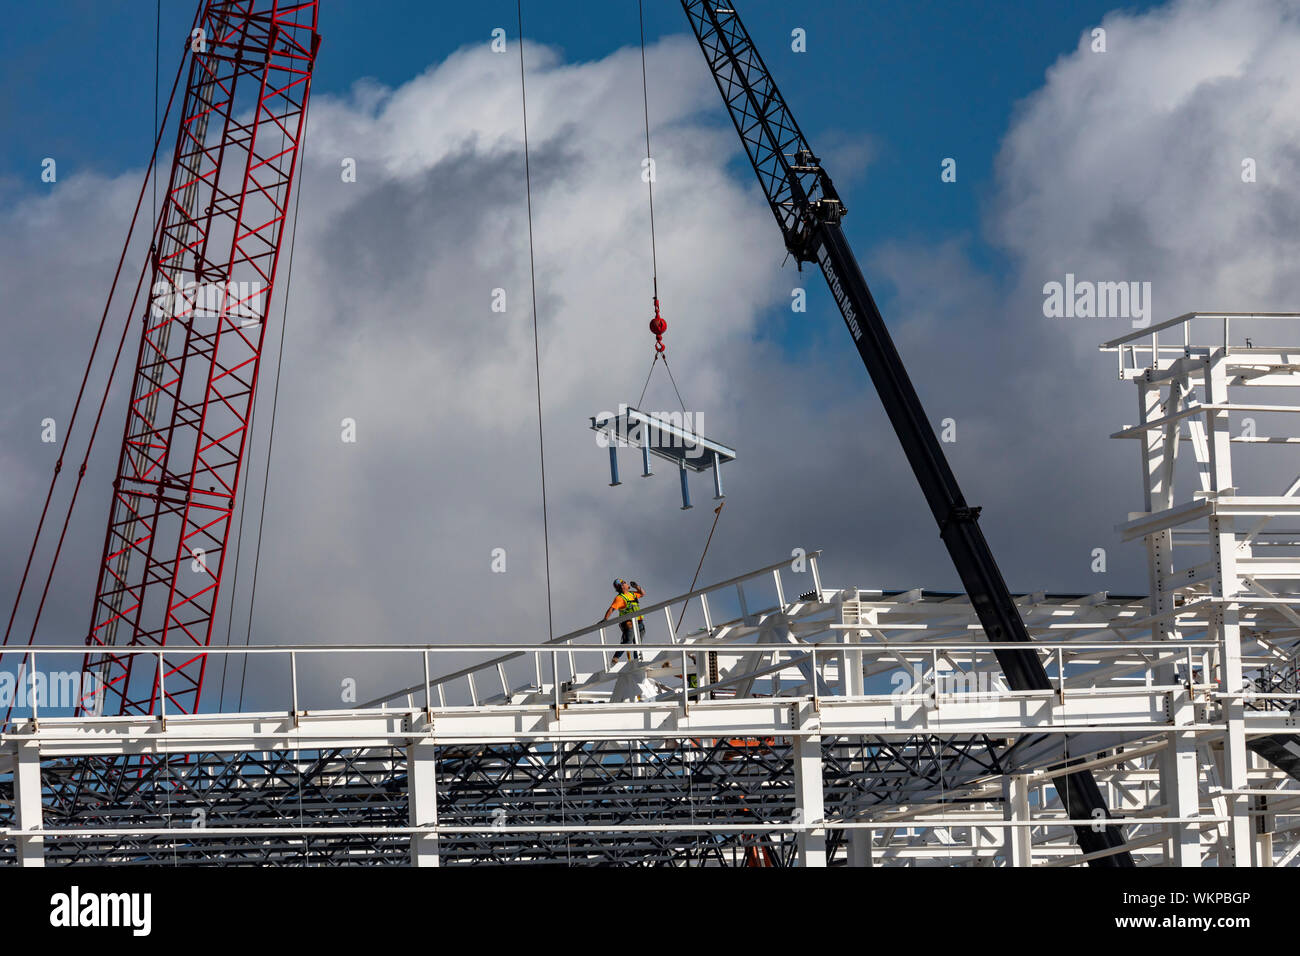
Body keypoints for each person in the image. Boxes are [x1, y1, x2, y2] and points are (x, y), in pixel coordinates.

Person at [605, 578, 646, 663]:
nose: (627, 583)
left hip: (639, 622)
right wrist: (605, 619)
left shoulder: (632, 594)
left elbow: (643, 593)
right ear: (622, 586)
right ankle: (616, 657)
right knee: (628, 641)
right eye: (624, 582)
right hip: (629, 623)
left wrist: (636, 586)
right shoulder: (619, 598)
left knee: (638, 644)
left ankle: (636, 660)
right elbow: (611, 609)